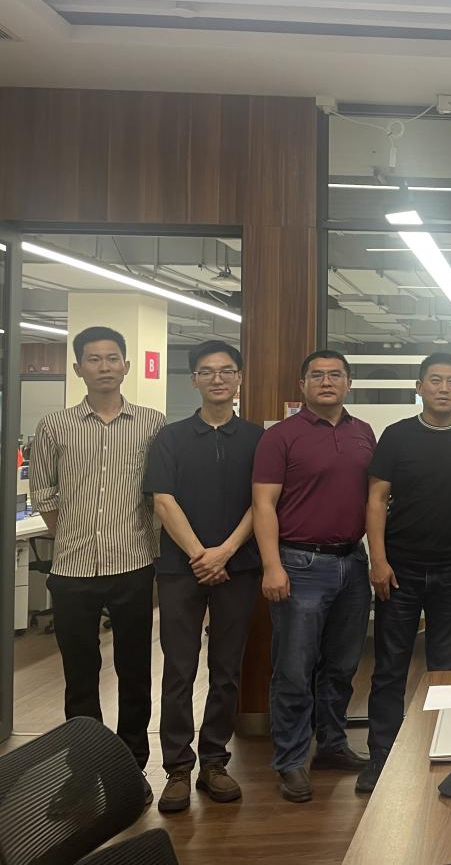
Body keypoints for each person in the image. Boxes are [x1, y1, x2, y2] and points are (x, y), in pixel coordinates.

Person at [29, 326, 166, 801]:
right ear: (78, 368)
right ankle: (83, 771)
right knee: (80, 676)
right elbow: (44, 492)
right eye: (94, 359)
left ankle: (131, 768)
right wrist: (73, 533)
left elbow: (158, 493)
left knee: (135, 671)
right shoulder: (55, 426)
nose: (104, 367)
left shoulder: (152, 423)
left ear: (126, 365)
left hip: (133, 564)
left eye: (112, 358)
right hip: (72, 570)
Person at [252, 349, 376, 803]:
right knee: (294, 668)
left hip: (353, 563)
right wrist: (272, 565)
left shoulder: (363, 433)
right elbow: (263, 504)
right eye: (317, 375)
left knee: (342, 666)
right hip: (299, 565)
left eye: (335, 375)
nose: (327, 382)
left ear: (348, 383)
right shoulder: (281, 436)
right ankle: (290, 759)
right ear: (302, 384)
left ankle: (332, 745)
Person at [144, 340, 263, 813]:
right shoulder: (170, 437)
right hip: (180, 569)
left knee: (227, 668)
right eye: (208, 371)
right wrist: (200, 555)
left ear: (239, 379)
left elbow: (264, 502)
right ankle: (177, 768)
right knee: (179, 669)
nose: (218, 378)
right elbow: (163, 500)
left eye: (227, 370)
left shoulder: (257, 438)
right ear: (193, 379)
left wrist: (226, 552)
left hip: (240, 567)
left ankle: (214, 761)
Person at [358, 353, 451, 794]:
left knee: (446, 666)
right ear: (419, 387)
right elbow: (376, 499)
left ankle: (445, 749)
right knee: (390, 666)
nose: (444, 388)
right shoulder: (397, 436)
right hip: (400, 569)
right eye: (435, 380)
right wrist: (378, 559)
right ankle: (382, 756)